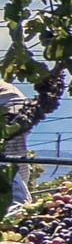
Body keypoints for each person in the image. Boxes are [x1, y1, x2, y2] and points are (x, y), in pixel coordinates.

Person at [0, 81, 29, 212]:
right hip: (13, 104)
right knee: (13, 159)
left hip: (7, 104)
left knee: (6, 162)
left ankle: (16, 209)